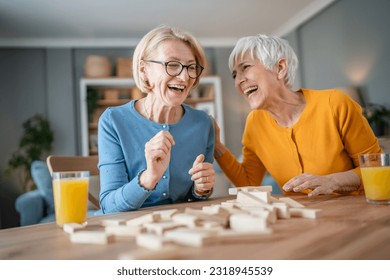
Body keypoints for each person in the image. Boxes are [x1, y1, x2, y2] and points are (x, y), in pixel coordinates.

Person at [214, 34, 382, 197]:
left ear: (279, 68)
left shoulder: (335, 103)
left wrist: (332, 181)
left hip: (353, 215)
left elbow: (376, 168)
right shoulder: (254, 123)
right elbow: (249, 183)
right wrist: (217, 146)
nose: (238, 81)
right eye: (234, 75)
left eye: (245, 68)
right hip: (300, 220)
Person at [98, 25, 215, 213]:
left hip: (181, 227)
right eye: (173, 65)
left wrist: (201, 190)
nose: (185, 77)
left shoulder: (203, 123)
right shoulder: (113, 121)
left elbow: (193, 199)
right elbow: (109, 206)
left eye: (191, 67)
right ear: (144, 70)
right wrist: (149, 177)